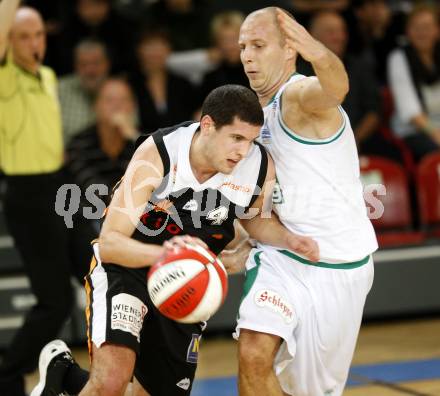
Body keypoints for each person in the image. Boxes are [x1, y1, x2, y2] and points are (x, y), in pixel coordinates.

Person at [31, 84, 319, 396]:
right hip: (127, 269)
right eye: (236, 138)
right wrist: (169, 256)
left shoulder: (259, 166)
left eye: (250, 141)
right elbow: (111, 242)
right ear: (207, 126)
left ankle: (65, 377)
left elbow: (255, 219)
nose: (242, 151)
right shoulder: (158, 153)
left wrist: (289, 238)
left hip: (185, 284)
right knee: (112, 380)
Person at [236, 7, 378, 396]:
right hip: (281, 256)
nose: (247, 55)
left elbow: (335, 89)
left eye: (259, 45)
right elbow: (254, 203)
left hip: (337, 265)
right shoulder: (251, 117)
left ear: (289, 51)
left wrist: (319, 53)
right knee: (252, 354)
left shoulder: (298, 97)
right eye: (243, 46)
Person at [0, 2, 92, 395]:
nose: (33, 42)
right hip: (26, 192)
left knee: (95, 270)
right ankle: (7, 370)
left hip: (59, 184)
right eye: (22, 35)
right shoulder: (4, 78)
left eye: (38, 34)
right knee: (54, 300)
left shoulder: (50, 75)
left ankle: (111, 363)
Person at [387, 4, 440, 162]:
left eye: (427, 27)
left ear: (437, 30)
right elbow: (410, 110)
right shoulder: (398, 58)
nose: (422, 32)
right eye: (416, 27)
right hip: (415, 130)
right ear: (408, 31)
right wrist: (435, 132)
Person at [59, 39, 111, 143]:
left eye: (96, 63)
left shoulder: (119, 92)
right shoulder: (60, 90)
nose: (90, 70)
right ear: (76, 66)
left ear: (107, 64)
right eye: (84, 64)